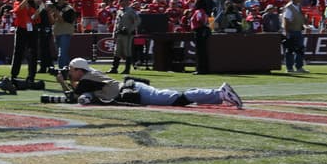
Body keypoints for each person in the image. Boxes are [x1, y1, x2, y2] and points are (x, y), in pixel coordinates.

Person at [57, 57, 243, 108]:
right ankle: (217, 95)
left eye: (71, 71)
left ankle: (219, 93)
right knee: (175, 97)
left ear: (79, 70)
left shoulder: (87, 79)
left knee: (178, 99)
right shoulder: (90, 76)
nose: (69, 73)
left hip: (135, 92)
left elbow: (74, 95)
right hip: (134, 89)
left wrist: (62, 83)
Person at [9, 0, 41, 84]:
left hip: (32, 29)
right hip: (21, 29)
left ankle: (31, 75)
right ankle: (14, 75)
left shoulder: (33, 4)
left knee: (33, 53)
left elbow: (36, 18)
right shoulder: (17, 2)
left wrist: (39, 9)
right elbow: (17, 10)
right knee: (18, 52)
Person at [109, 0, 140, 74]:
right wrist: (114, 33)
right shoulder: (119, 11)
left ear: (126, 2)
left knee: (127, 51)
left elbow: (137, 21)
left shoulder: (131, 11)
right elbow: (116, 23)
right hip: (119, 33)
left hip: (127, 35)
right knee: (117, 51)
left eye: (121, 1)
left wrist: (130, 30)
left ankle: (127, 69)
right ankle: (114, 68)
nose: (119, 2)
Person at [281, 0, 308, 74]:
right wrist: (286, 32)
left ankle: (299, 67)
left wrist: (303, 25)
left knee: (300, 49)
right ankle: (289, 68)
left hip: (298, 30)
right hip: (291, 31)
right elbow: (286, 20)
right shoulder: (289, 7)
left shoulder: (298, 6)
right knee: (290, 50)